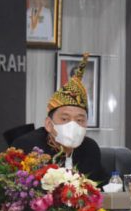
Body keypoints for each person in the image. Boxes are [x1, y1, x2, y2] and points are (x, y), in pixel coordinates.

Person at [11, 53, 107, 181]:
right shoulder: (28, 146)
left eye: (80, 120)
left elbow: (104, 186)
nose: (73, 125)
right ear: (49, 124)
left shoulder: (90, 148)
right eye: (65, 119)